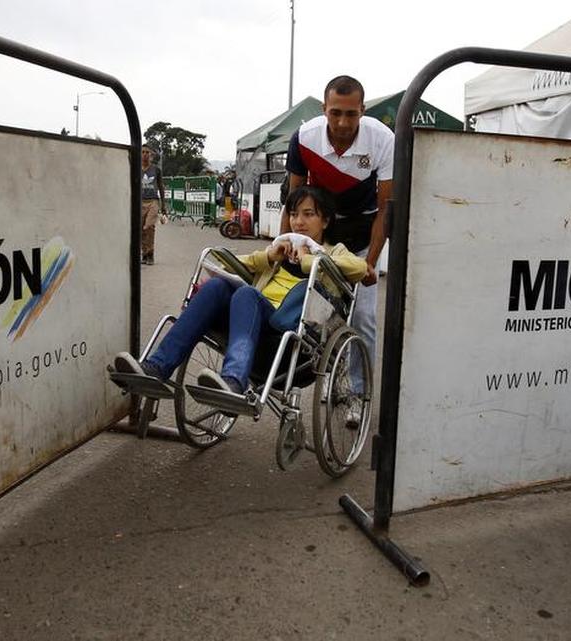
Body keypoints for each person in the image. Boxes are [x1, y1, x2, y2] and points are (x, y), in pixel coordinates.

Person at [113, 185, 366, 395]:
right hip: (250, 326)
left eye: (308, 214)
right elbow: (227, 265)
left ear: (326, 220)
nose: (298, 222)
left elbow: (360, 269)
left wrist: (309, 259)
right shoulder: (280, 250)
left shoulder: (333, 252)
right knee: (216, 286)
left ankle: (234, 382)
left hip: (292, 341)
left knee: (247, 294)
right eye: (293, 214)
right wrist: (268, 256)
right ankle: (156, 368)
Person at [282, 75, 394, 408]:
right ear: (323, 109)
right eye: (335, 113)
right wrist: (284, 244)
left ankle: (359, 394)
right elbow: (293, 201)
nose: (343, 122)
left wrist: (369, 263)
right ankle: (303, 384)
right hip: (322, 240)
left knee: (363, 319)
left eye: (351, 113)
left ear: (363, 109)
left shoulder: (383, 140)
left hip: (361, 239)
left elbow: (385, 211)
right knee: (309, 315)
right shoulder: (304, 137)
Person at [139, 145, 166, 264]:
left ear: (151, 155)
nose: (145, 154)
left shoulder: (156, 170)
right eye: (143, 152)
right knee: (141, 229)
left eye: (147, 152)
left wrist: (164, 205)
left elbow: (160, 186)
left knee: (149, 227)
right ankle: (144, 253)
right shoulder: (135, 169)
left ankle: (150, 254)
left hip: (153, 201)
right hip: (139, 201)